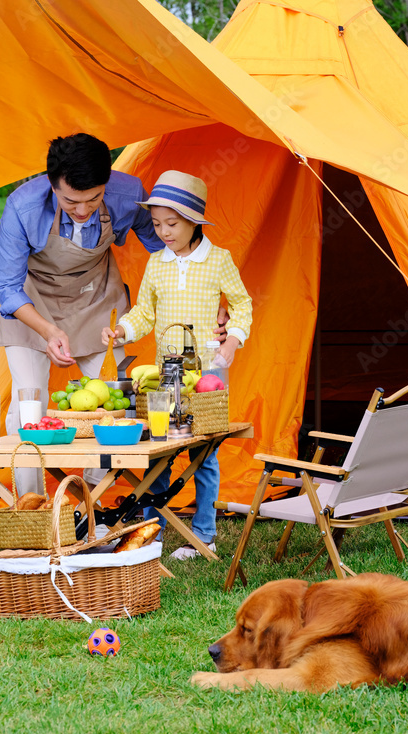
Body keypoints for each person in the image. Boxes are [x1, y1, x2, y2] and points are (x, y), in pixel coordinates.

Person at [0, 133, 166, 495]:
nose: (84, 210)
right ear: (52, 185)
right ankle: (31, 504)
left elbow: (163, 251)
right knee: (29, 403)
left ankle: (93, 499)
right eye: (71, 201)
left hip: (97, 299)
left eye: (94, 199)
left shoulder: (128, 193)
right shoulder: (22, 206)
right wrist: (47, 330)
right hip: (33, 304)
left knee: (114, 406)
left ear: (107, 184)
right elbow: (6, 287)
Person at [102, 170, 252, 560]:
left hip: (209, 372)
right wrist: (122, 330)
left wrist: (232, 341)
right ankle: (153, 530)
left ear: (193, 222)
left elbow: (242, 304)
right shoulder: (157, 263)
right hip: (164, 375)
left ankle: (204, 532)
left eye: (172, 223)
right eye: (156, 224)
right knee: (162, 452)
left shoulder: (219, 260)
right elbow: (144, 314)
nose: (163, 232)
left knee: (204, 454)